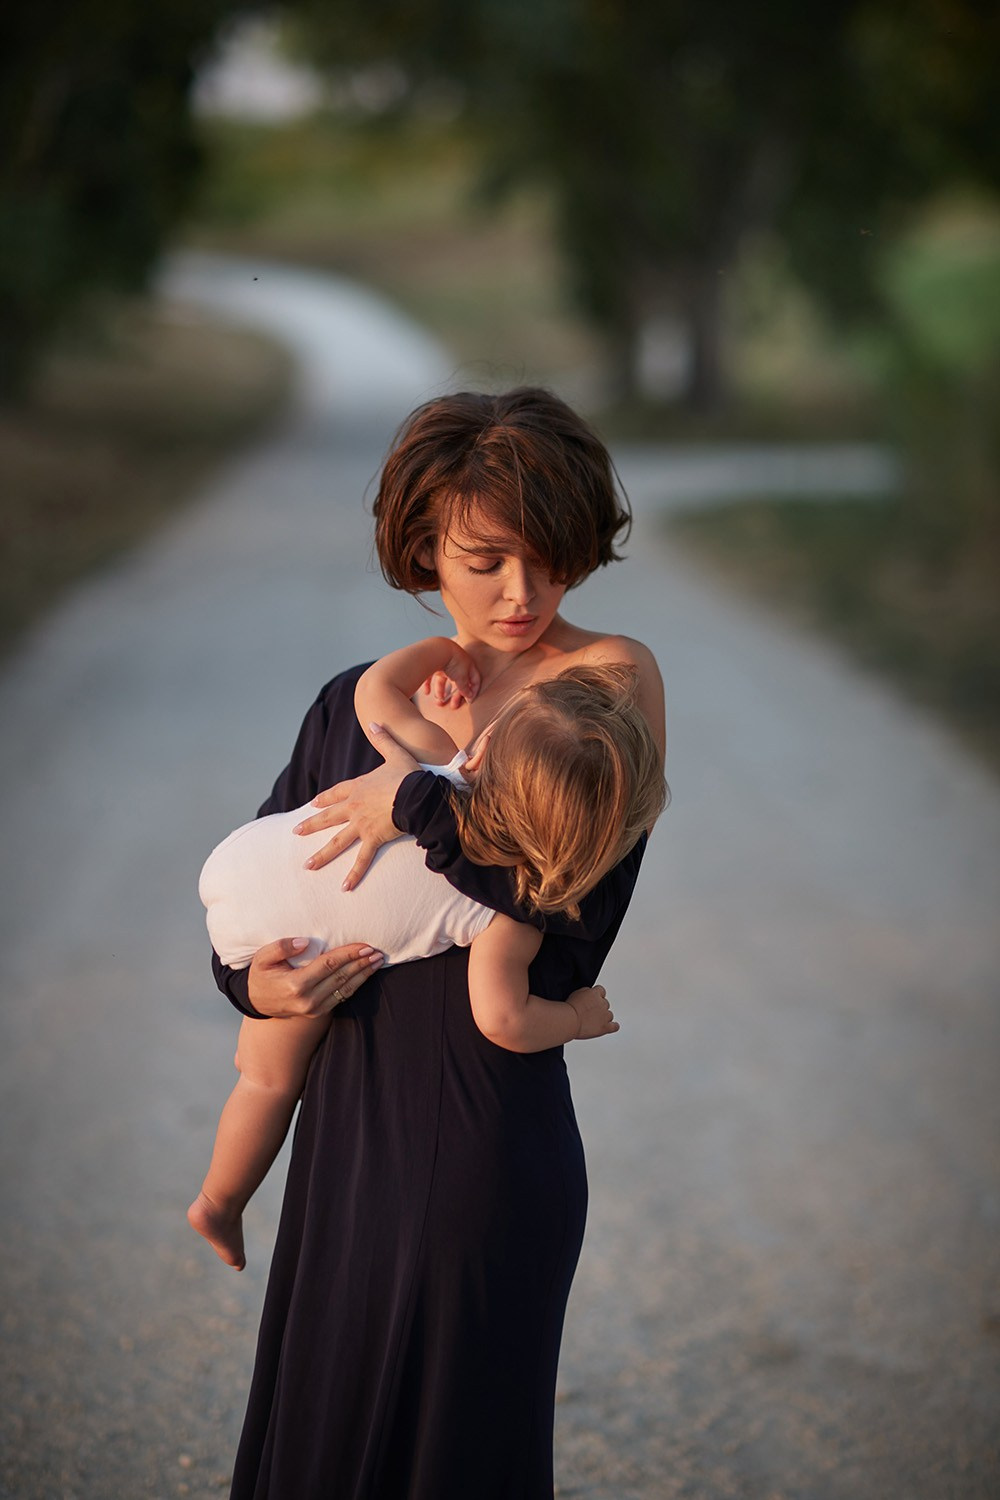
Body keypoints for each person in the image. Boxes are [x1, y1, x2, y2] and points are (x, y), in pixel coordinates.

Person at [211, 387, 666, 1500]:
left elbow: (561, 909)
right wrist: (255, 986)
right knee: (322, 1442)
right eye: (487, 558)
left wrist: (412, 799)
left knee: (450, 1456)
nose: (522, 592)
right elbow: (269, 887)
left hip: (483, 1132)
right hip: (344, 1129)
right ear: (424, 549)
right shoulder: (350, 704)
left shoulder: (605, 690)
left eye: (551, 559)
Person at [192, 635, 666, 1271]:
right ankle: (218, 1203)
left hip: (251, 862)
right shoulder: (508, 905)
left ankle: (219, 1198)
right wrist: (578, 1020)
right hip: (296, 933)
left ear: (490, 744)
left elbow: (375, 692)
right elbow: (502, 1017)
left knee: (264, 1066)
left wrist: (441, 653)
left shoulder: (436, 761)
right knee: (268, 1079)